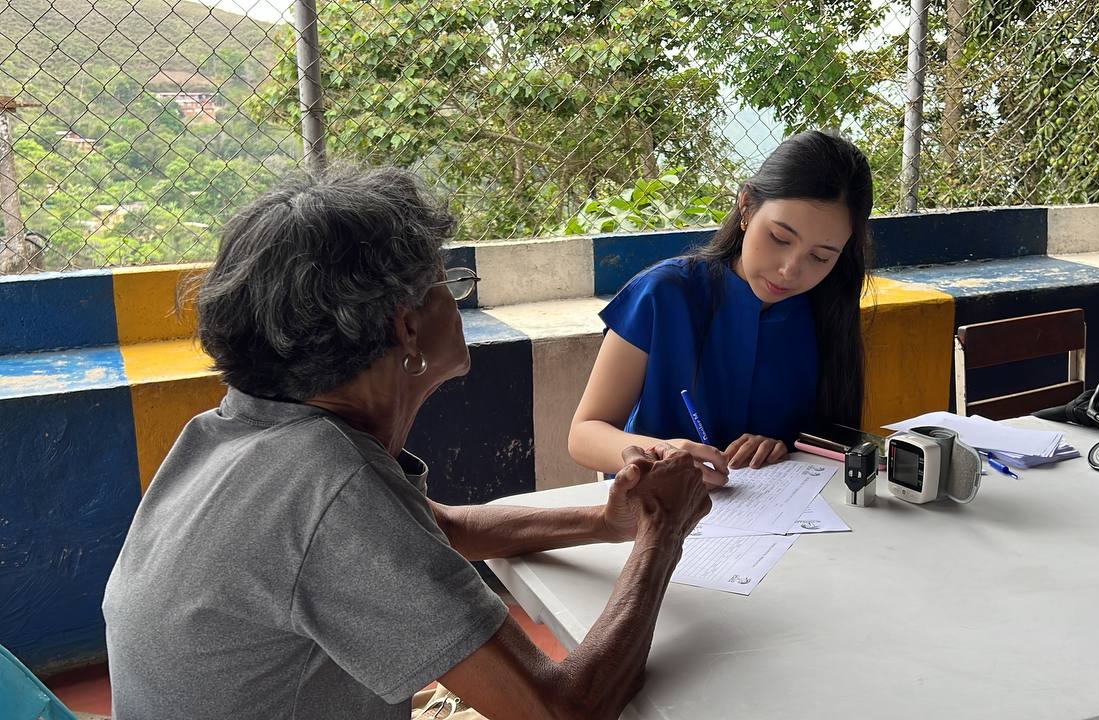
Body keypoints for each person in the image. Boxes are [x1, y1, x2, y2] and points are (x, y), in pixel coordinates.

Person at [102, 166, 711, 720]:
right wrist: (661, 531)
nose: (459, 301)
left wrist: (608, 521)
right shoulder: (327, 487)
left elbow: (428, 531)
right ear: (409, 327)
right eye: (448, 283)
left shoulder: (239, 435)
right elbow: (563, 710)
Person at [569, 130, 874, 485]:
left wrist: (782, 449)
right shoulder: (664, 294)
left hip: (776, 518)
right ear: (746, 207)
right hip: (658, 508)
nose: (790, 270)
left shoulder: (827, 311)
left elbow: (829, 445)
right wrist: (663, 451)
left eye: (821, 257)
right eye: (779, 237)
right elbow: (585, 433)